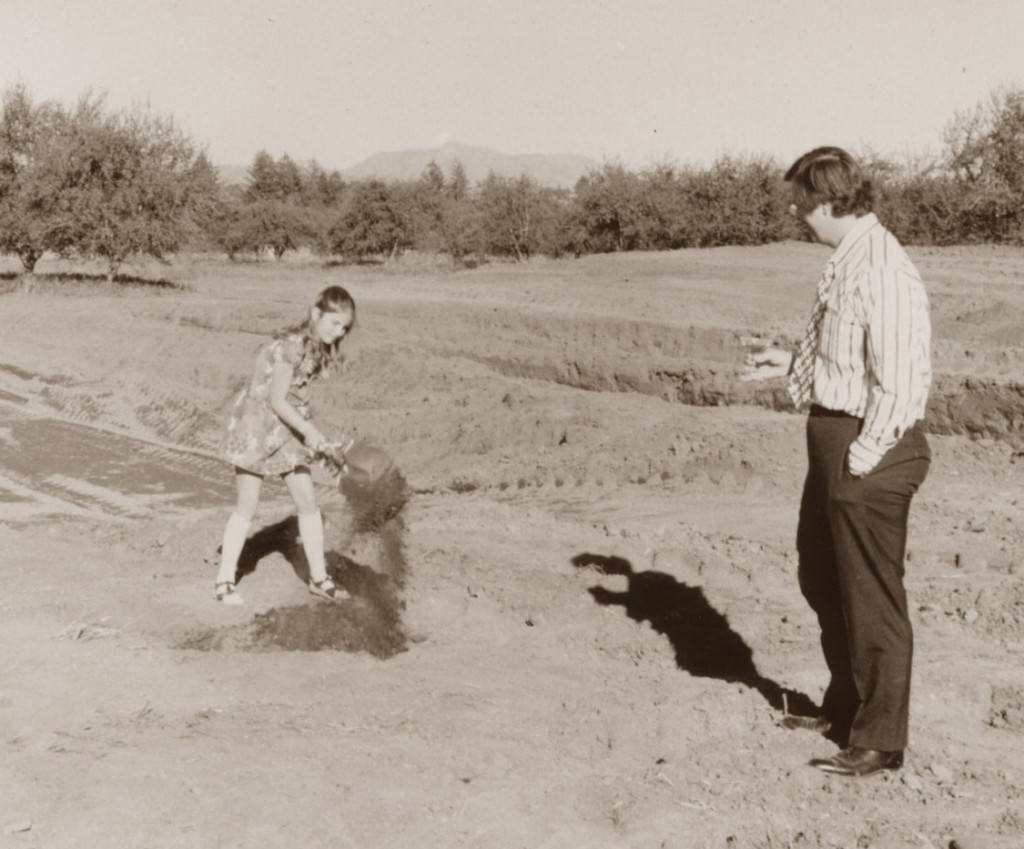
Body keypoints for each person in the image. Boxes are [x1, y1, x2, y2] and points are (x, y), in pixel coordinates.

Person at [748, 147, 932, 777]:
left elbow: (903, 382)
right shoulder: (847, 260)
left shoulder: (882, 267)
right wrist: (791, 363)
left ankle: (881, 740)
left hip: (869, 449)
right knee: (823, 580)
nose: (797, 215)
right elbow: (849, 355)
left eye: (802, 204)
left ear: (828, 201)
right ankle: (847, 706)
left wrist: (861, 458)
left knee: (871, 598)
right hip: (839, 440)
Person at [213, 285, 356, 606]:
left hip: (286, 431)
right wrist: (309, 433)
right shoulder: (291, 348)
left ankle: (319, 579)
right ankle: (224, 582)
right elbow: (277, 400)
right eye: (334, 323)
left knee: (308, 503)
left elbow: (297, 402)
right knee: (247, 505)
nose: (338, 332)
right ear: (316, 314)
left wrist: (321, 441)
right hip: (257, 429)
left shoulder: (316, 351)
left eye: (344, 328)